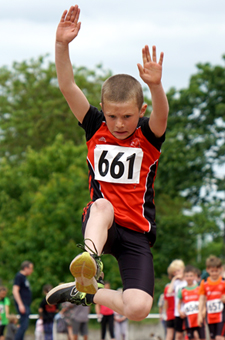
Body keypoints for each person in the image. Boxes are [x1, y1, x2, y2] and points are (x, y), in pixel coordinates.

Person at [46, 4, 169, 322]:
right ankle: (90, 259)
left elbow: (162, 115)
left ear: (139, 112)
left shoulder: (147, 136)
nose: (118, 123)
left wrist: (155, 86)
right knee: (102, 206)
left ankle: (86, 290)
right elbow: (67, 85)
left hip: (137, 234)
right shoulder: (94, 126)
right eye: (112, 115)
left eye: (127, 116)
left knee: (139, 308)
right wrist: (61, 45)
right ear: (102, 108)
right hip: (103, 227)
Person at [198, 255, 225, 340]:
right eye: (212, 271)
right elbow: (202, 299)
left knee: (219, 337)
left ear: (220, 269)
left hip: (222, 315)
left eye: (216, 271)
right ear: (208, 270)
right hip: (210, 316)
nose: (214, 273)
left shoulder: (223, 282)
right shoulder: (204, 283)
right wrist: (200, 313)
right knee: (212, 338)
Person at [177, 265, 205, 340]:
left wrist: (203, 310)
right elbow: (179, 303)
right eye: (187, 276)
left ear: (195, 276)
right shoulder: (182, 290)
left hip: (199, 317)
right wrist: (179, 311)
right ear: (184, 277)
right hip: (189, 318)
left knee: (202, 337)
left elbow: (204, 300)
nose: (189, 278)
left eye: (191, 276)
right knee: (191, 338)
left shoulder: (199, 288)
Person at [12, 261, 34, 340]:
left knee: (24, 326)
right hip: (23, 305)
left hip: (26, 304)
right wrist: (20, 304)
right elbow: (15, 291)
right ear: (25, 268)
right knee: (23, 326)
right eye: (31, 268)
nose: (32, 270)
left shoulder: (24, 278)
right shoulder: (19, 276)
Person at [167, 260, 187, 340]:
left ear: (183, 269)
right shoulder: (176, 282)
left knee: (190, 334)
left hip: (188, 311)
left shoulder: (188, 280)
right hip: (178, 312)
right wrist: (174, 279)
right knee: (178, 335)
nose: (177, 273)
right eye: (174, 272)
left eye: (178, 270)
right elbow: (169, 291)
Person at [164, 267, 175, 340]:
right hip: (176, 314)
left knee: (169, 334)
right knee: (179, 335)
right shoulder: (179, 287)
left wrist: (165, 313)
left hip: (169, 314)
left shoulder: (167, 288)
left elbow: (165, 303)